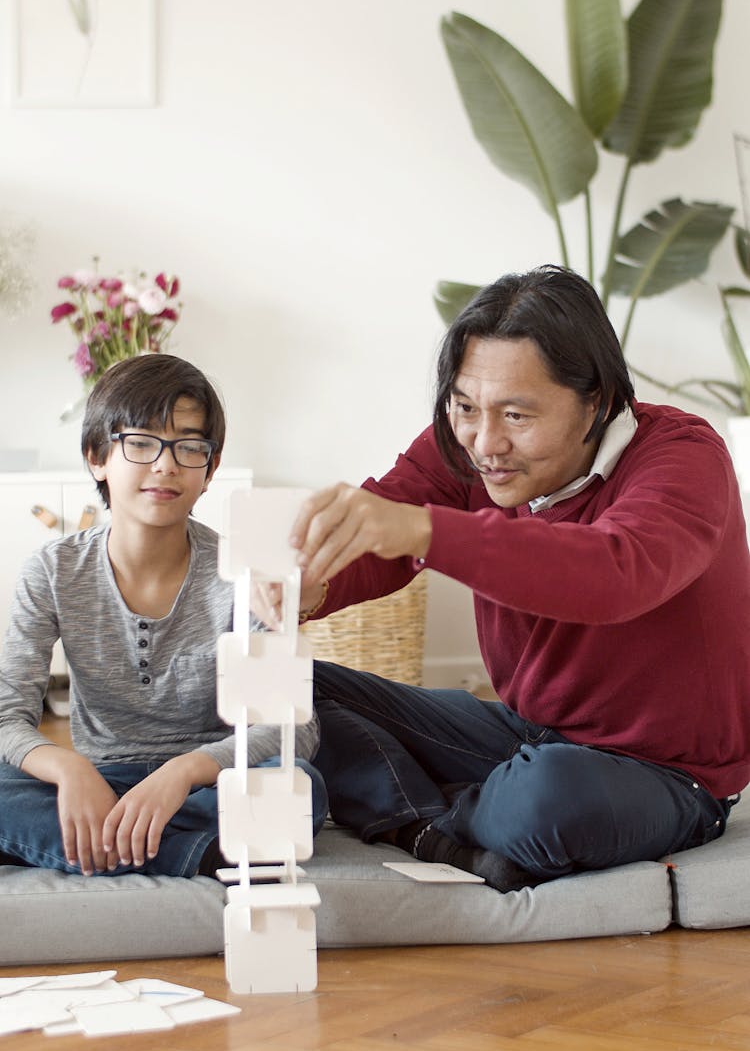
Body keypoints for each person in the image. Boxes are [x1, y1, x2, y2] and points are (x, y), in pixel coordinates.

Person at [274, 264, 750, 892]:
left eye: (517, 416)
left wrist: (423, 530)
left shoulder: (682, 456)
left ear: (597, 403)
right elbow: (378, 534)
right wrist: (310, 587)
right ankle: (437, 827)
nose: (484, 443)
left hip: (664, 772)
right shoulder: (468, 443)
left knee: (545, 799)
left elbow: (614, 570)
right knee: (292, 690)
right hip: (526, 734)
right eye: (465, 407)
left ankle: (417, 811)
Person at [0, 353, 326, 878]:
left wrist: (184, 772)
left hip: (202, 783)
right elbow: (6, 715)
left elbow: (291, 725)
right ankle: (190, 853)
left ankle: (100, 847)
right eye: (142, 442)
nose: (165, 464)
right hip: (100, 778)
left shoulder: (246, 573)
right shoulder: (53, 570)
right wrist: (68, 769)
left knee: (300, 787)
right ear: (96, 456)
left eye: (189, 447)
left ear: (210, 469)